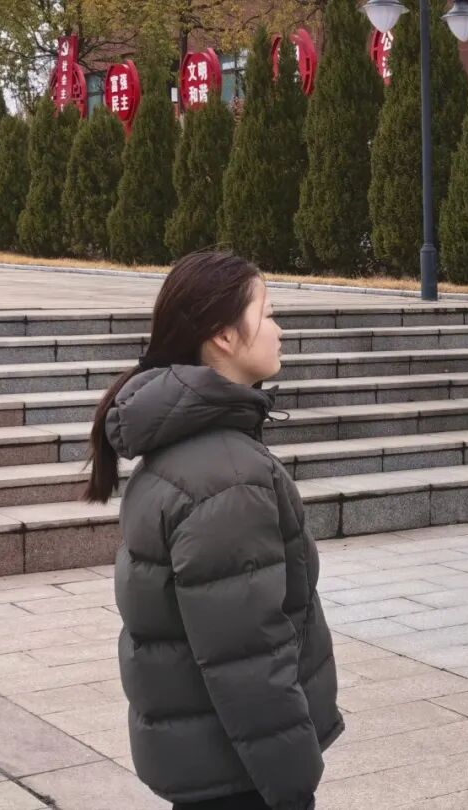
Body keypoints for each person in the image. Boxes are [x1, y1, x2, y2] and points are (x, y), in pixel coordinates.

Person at [84, 251, 343, 810]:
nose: (279, 329)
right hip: (240, 776)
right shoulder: (226, 477)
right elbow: (248, 655)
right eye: (267, 314)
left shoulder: (188, 452)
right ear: (224, 336)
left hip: (209, 761)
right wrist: (293, 782)